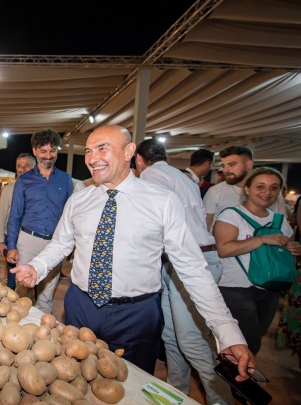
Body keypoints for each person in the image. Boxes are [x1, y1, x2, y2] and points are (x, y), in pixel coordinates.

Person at [13, 125, 255, 378]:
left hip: (136, 316)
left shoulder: (162, 200)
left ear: (129, 151)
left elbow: (193, 269)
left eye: (102, 149)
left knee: (133, 383)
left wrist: (226, 331)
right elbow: (61, 244)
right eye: (88, 151)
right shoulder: (80, 199)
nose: (92, 158)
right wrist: (37, 267)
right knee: (76, 378)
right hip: (80, 306)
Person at [135, 139, 234, 405]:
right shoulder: (184, 178)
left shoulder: (150, 175)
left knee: (193, 342)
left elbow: (149, 223)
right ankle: (175, 398)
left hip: (190, 262)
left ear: (139, 160)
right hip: (191, 257)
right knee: (171, 337)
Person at [214, 167, 300, 355]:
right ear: (247, 189)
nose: (267, 192)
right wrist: (261, 239)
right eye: (260, 186)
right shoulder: (231, 215)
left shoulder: (279, 220)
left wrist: (293, 249)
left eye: (274, 188)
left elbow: (284, 248)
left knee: (253, 340)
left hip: (270, 289)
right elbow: (224, 249)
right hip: (235, 288)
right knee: (248, 345)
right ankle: (238, 380)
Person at [6, 129, 76, 313]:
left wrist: (71, 245)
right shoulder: (24, 181)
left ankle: (41, 337)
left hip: (55, 244)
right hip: (27, 242)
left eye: (52, 151)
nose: (48, 156)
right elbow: (15, 215)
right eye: (43, 151)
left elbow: (70, 215)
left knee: (46, 297)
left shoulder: (65, 180)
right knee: (22, 292)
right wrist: (11, 245)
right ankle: (18, 334)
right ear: (35, 151)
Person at [0, 153, 35, 289]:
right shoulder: (9, 189)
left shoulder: (38, 190)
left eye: (26, 166)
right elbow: (0, 215)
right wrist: (1, 241)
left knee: (30, 275)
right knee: (12, 276)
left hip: (31, 239)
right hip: (12, 239)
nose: (22, 169)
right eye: (19, 166)